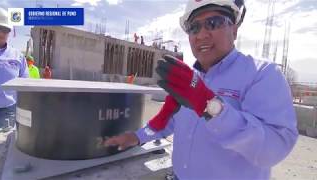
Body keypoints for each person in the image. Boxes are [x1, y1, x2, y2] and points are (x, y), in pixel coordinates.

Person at [105, 0, 298, 179]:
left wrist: (211, 107)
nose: (202, 35)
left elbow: (274, 148)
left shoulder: (261, 74)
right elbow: (170, 120)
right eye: (194, 27)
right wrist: (137, 137)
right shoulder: (189, 78)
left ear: (235, 29)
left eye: (213, 23)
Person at [0, 7, 29, 129]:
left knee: (3, 144)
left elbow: (25, 84)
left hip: (7, 111)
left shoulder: (17, 56)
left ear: (9, 32)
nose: (0, 33)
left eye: (4, 30)